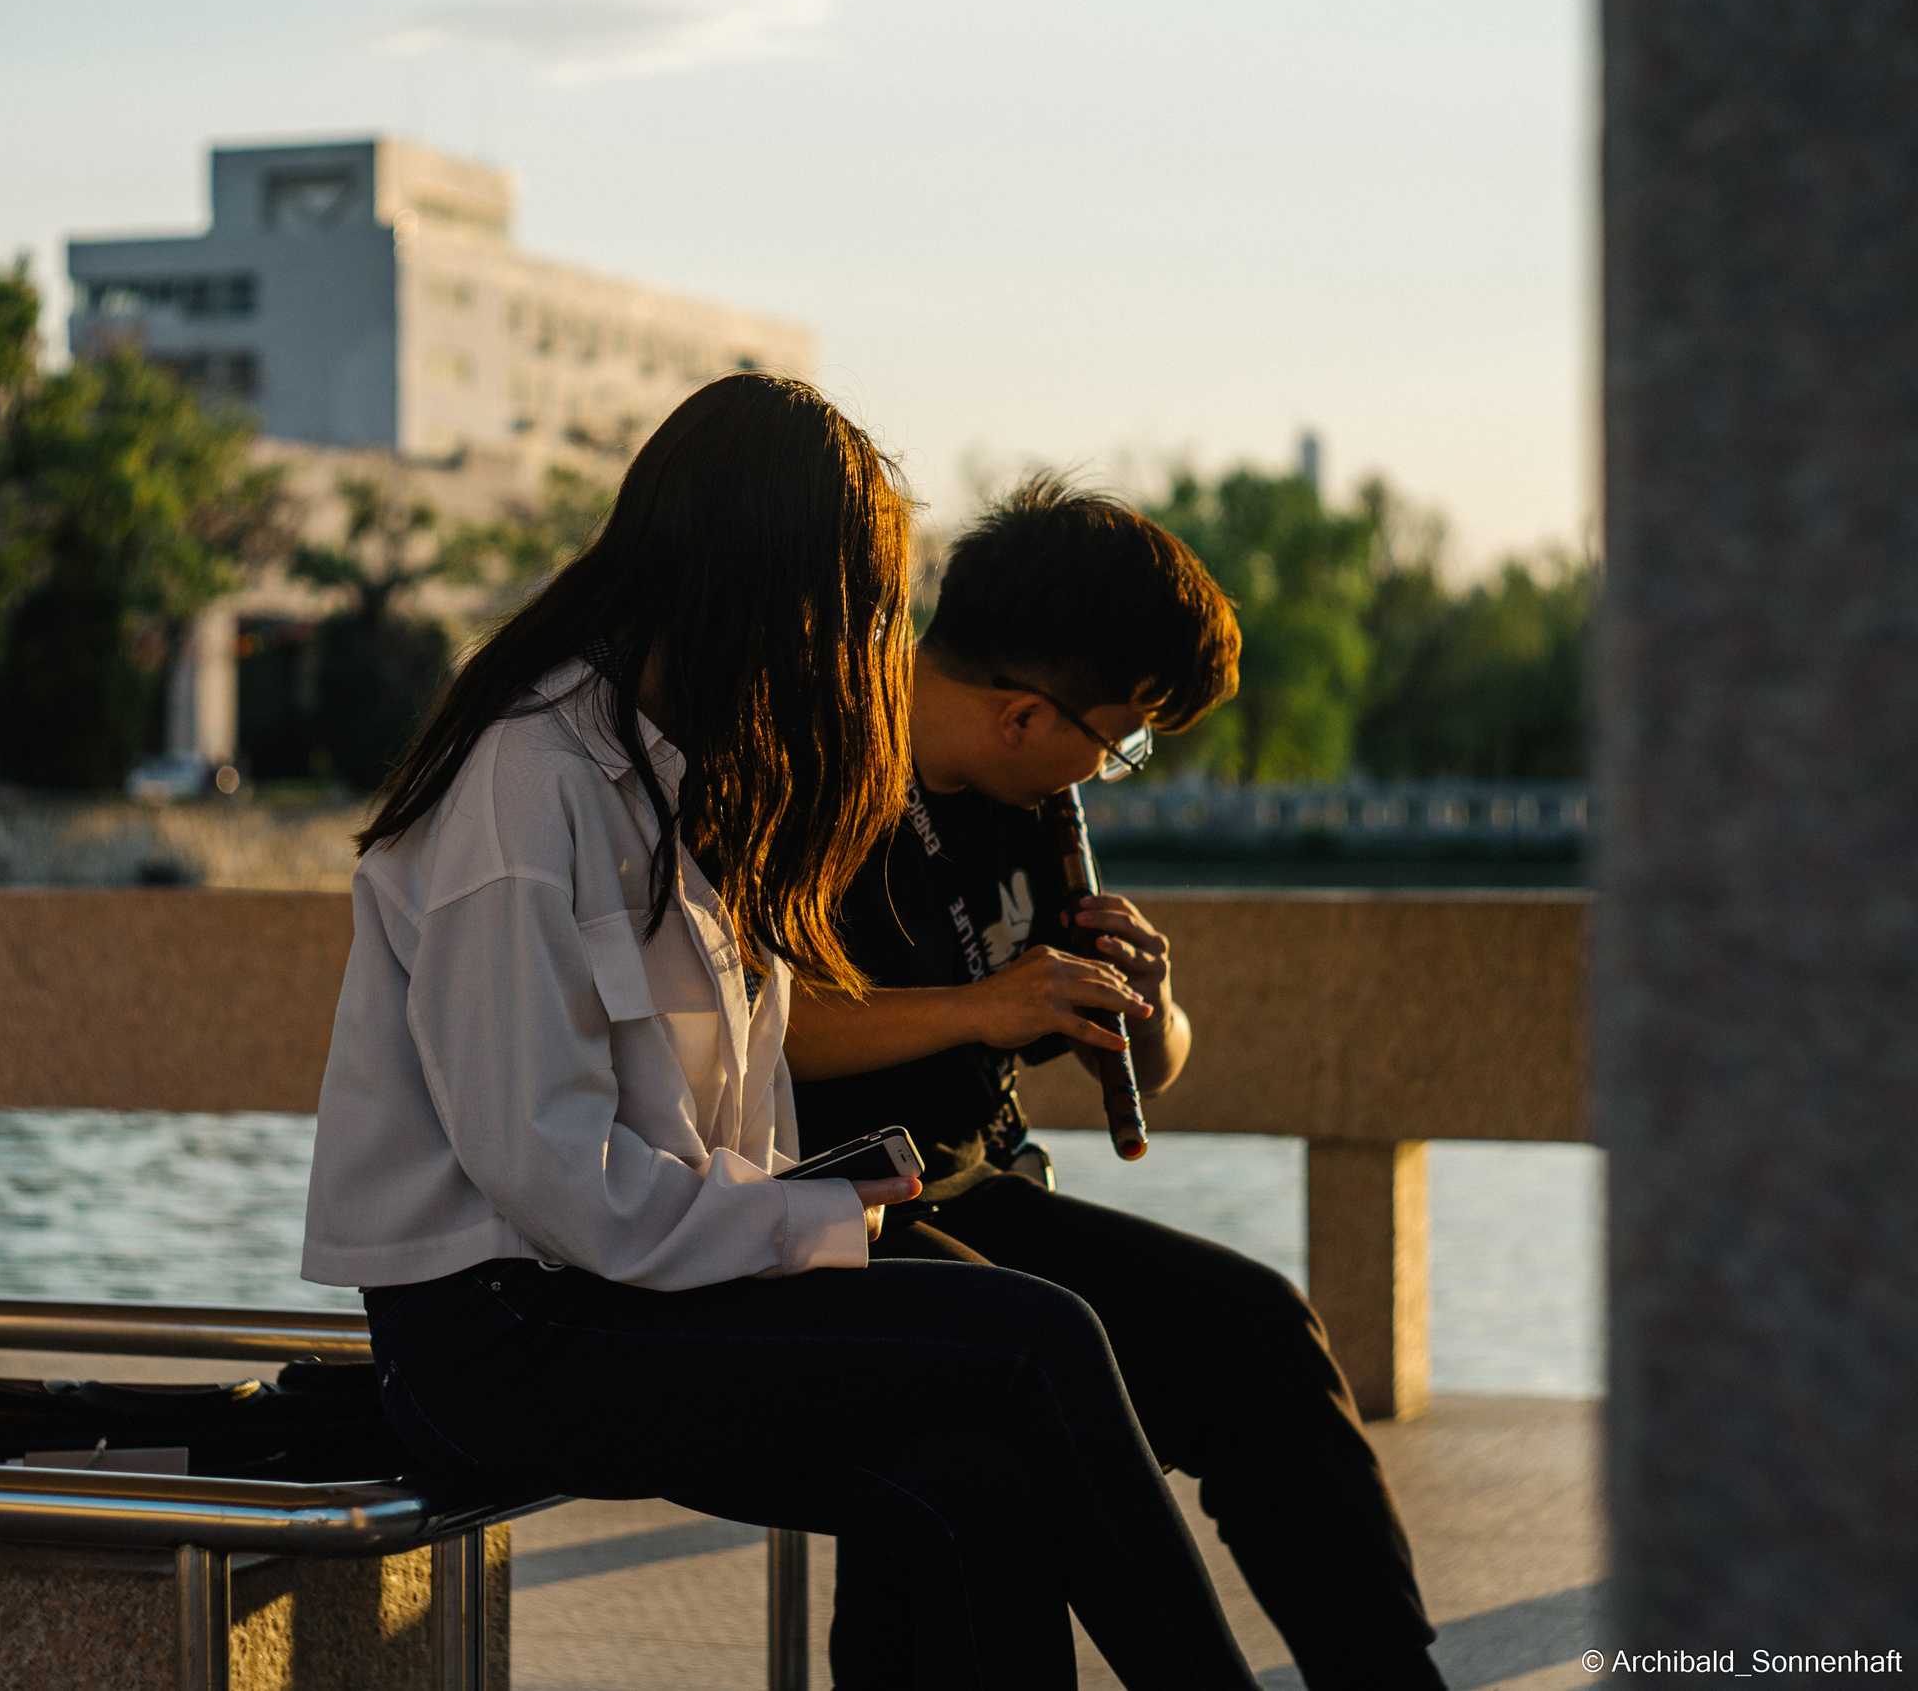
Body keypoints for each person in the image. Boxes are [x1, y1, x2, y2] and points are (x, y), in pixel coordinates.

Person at [301, 378, 1258, 1690]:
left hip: (631, 1293)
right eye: (859, 605)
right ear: (759, 583)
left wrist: (816, 1202)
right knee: (1043, 1334)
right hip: (504, 1336)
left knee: (979, 1486)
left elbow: (700, 1119)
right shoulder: (529, 782)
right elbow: (547, 1169)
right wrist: (806, 1222)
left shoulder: (683, 766)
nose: (867, 645)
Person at [787, 475, 1449, 1691]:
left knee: (1254, 1331)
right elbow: (745, 1027)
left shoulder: (1024, 803)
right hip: (816, 1215)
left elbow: (1143, 1053)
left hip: (981, 1198)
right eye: (1121, 732)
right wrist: (983, 1007)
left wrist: (1145, 1014)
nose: (1110, 767)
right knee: (992, 1416)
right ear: (1022, 716)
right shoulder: (810, 774)